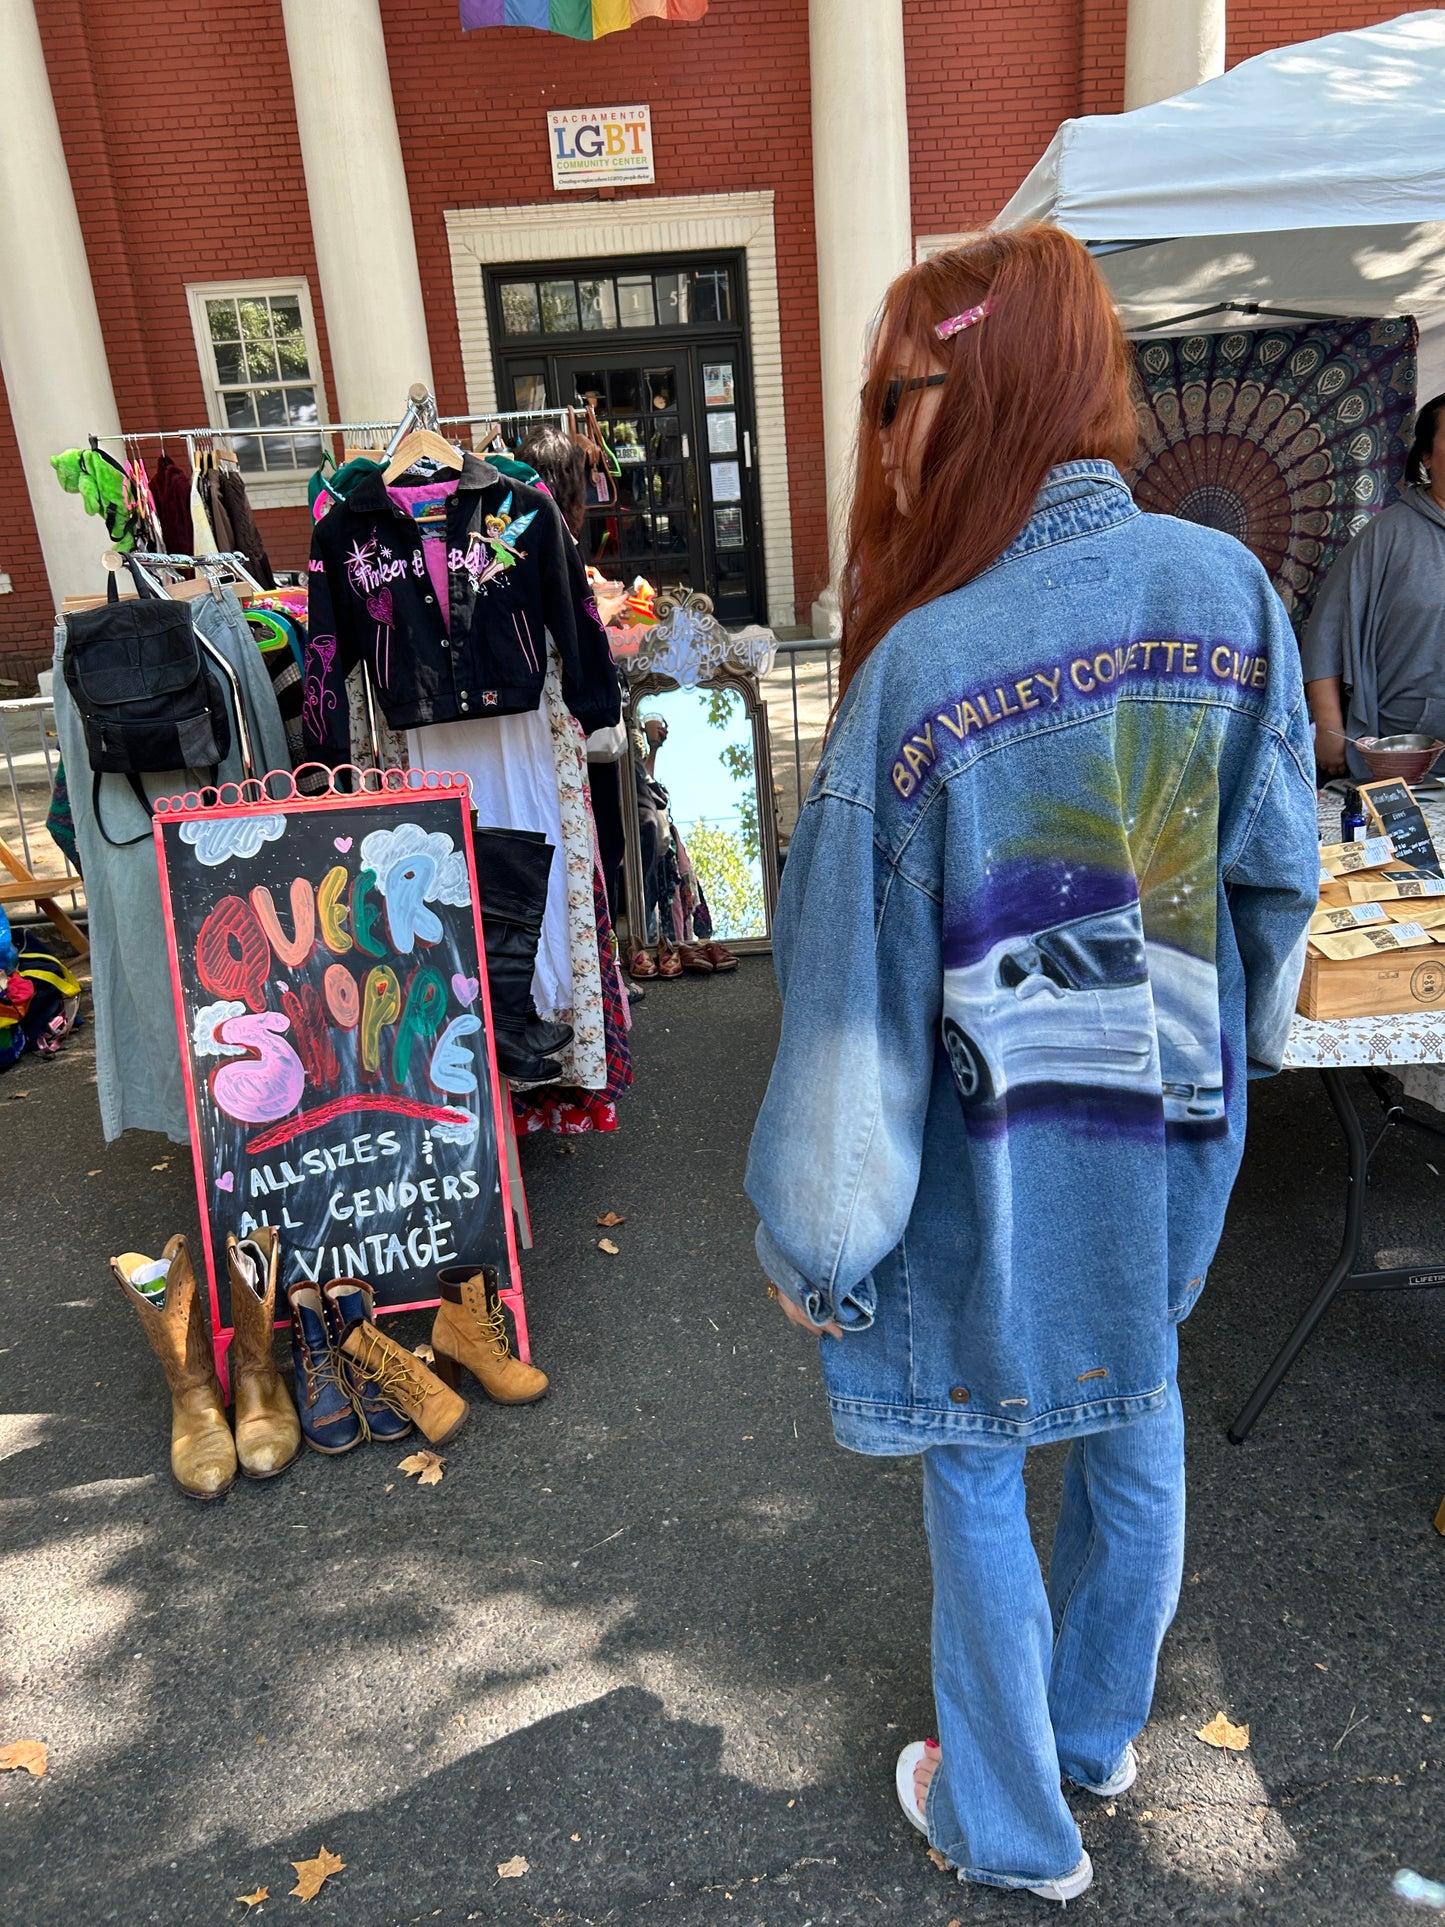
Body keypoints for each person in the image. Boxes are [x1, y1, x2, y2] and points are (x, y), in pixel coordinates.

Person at [745, 227, 1319, 1903]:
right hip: (1163, 1125)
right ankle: (1091, 1732)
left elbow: (852, 1007)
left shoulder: (924, 668)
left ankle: (1010, 1824)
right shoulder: (1226, 593)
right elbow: (1274, 881)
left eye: (896, 394)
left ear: (980, 386)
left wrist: (817, 1241)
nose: (884, 432)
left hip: (990, 1155)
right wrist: (1218, 1070)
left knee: (980, 1451)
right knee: (1137, 1407)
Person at [1302, 391, 1445, 779]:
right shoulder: (1388, 534)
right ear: (1427, 457)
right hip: (1404, 753)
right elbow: (1325, 635)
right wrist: (1329, 728)